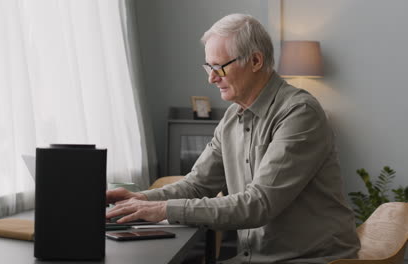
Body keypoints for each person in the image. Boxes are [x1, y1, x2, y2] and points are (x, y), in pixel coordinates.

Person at [106, 13, 360, 263]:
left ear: (256, 61)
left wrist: (163, 209)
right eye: (209, 66)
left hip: (312, 258)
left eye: (219, 67)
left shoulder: (300, 112)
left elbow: (259, 204)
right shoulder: (231, 118)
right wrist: (141, 200)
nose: (211, 77)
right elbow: (197, 185)